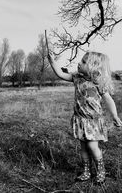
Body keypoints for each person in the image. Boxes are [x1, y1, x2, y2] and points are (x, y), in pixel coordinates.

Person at [47, 50, 122, 184]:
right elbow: (61, 74)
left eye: (83, 62)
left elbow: (108, 100)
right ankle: (86, 171)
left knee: (93, 147)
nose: (79, 63)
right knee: (83, 148)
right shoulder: (77, 78)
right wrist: (53, 62)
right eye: (81, 61)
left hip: (93, 122)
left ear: (93, 66)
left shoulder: (97, 82)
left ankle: (101, 171)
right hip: (80, 120)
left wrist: (115, 115)